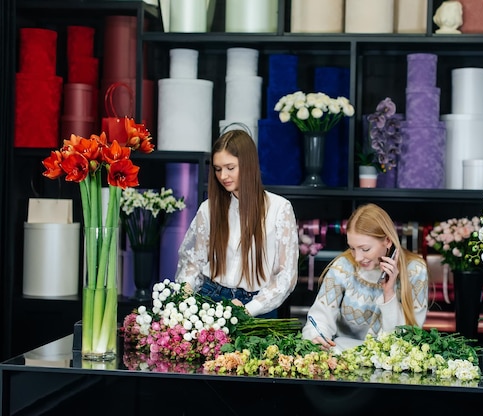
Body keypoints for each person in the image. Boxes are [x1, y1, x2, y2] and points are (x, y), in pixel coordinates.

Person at [174, 129, 299, 318]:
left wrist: (247, 310)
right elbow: (193, 263)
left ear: (248, 165)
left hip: (257, 305)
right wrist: (183, 299)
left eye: (230, 168)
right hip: (210, 298)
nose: (223, 176)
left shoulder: (279, 209)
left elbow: (286, 276)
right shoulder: (208, 209)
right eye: (217, 169)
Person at [302, 203, 428, 351]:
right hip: (343, 357)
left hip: (391, 364)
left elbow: (404, 340)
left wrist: (389, 294)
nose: (357, 257)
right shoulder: (343, 266)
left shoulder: (415, 271)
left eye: (365, 249)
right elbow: (319, 318)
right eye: (352, 248)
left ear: (387, 241)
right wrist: (316, 337)